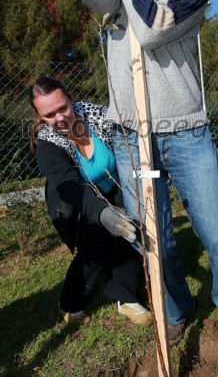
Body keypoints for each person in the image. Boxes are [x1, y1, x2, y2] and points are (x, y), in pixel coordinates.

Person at [79, 0, 218, 344]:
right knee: (154, 239)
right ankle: (176, 308)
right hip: (132, 139)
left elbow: (152, 29)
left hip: (186, 131)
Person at [29, 76, 151, 326]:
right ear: (40, 117)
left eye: (63, 108)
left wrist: (151, 177)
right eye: (50, 114)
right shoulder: (47, 146)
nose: (60, 118)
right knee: (94, 250)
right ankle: (70, 302)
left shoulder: (99, 116)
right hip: (78, 201)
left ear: (71, 99)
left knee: (129, 238)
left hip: (117, 186)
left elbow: (132, 152)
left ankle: (125, 297)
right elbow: (70, 187)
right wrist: (103, 214)